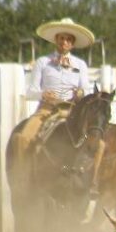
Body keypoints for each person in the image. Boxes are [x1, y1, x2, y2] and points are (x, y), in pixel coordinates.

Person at [18, 17, 94, 151]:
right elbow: (30, 91)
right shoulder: (43, 62)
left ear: (73, 43)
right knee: (24, 138)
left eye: (68, 39)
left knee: (93, 142)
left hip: (73, 111)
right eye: (61, 38)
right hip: (47, 110)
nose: (64, 42)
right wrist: (43, 94)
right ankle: (22, 171)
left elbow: (88, 91)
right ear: (56, 39)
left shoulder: (80, 64)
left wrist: (81, 93)